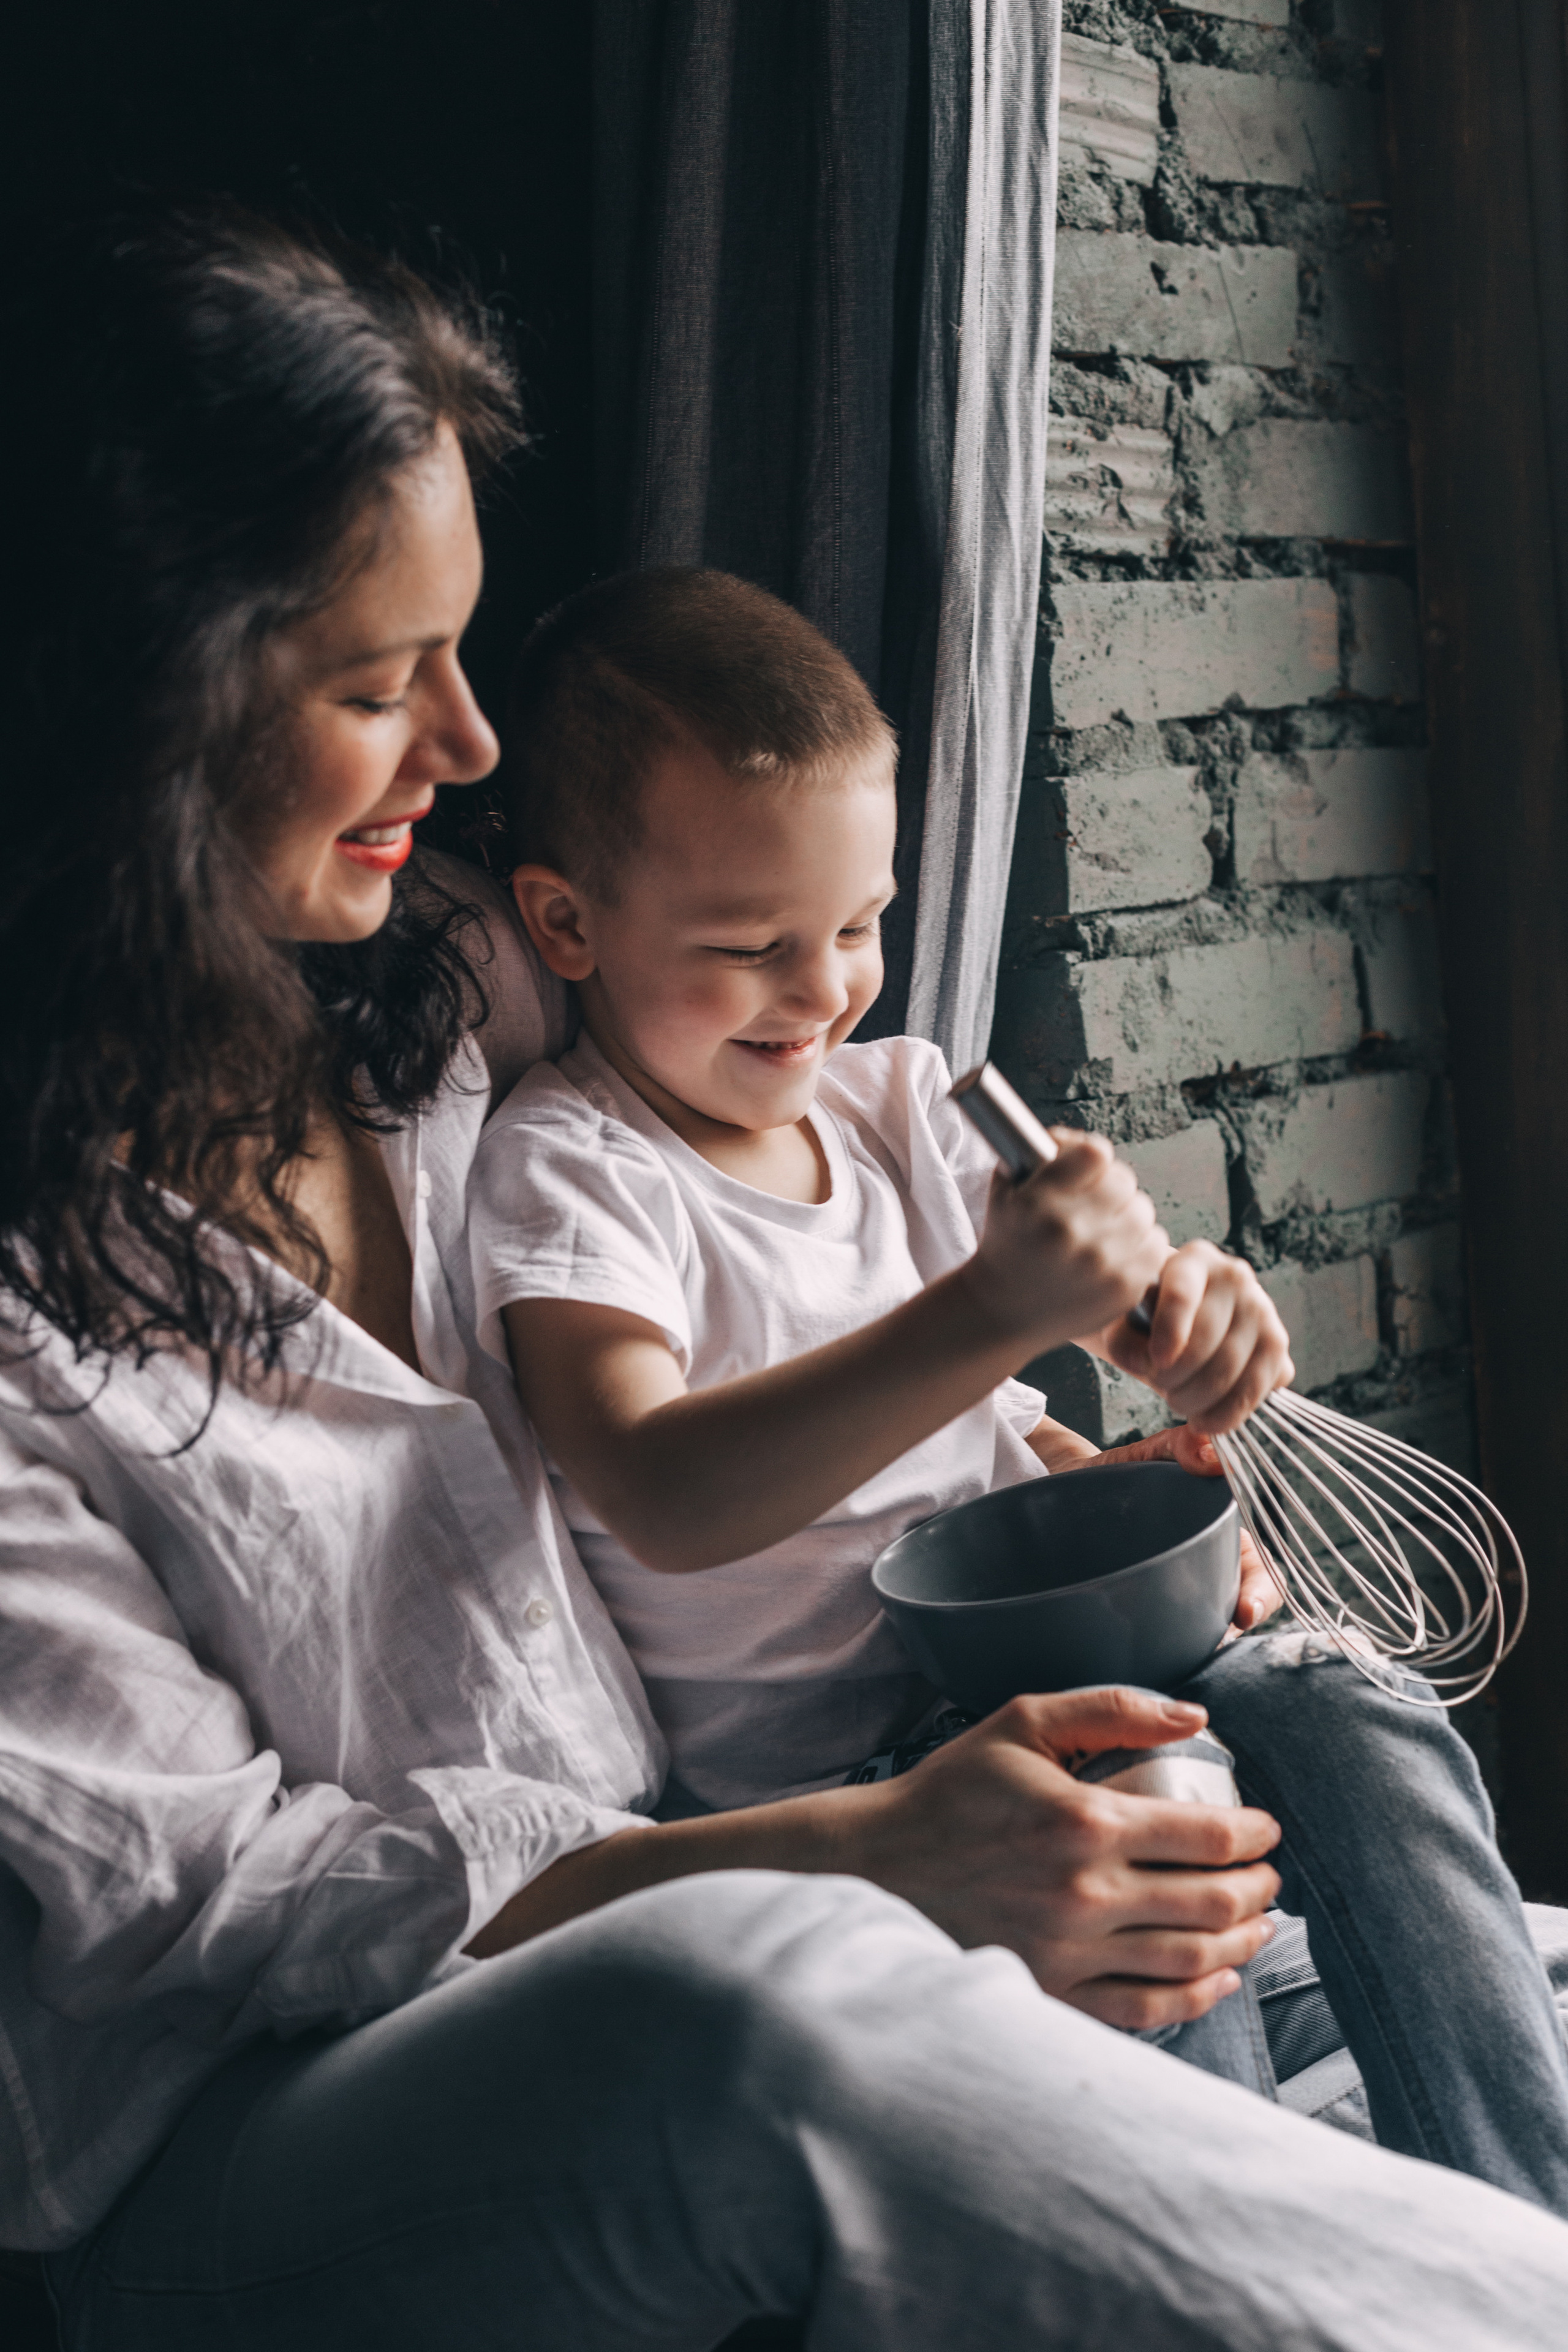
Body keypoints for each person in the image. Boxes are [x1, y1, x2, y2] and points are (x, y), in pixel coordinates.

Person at [6, 204, 1568, 2352]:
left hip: (712, 1844)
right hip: (261, 2127)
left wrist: (1095, 1390)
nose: (465, 747)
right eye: (378, 684)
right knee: (751, 2008)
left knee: (1268, 1778)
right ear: (131, 706)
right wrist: (854, 1854)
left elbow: (797, 1156)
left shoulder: (434, 983)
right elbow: (237, 1915)